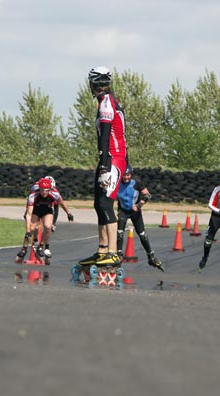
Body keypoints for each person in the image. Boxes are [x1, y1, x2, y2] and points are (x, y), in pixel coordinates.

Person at [77, 66, 128, 267]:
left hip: (112, 159)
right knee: (98, 203)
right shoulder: (111, 101)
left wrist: (105, 166)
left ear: (93, 84)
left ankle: (113, 252)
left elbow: (105, 137)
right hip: (112, 158)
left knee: (106, 203)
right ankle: (102, 250)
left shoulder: (106, 103)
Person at [116, 165, 164, 272]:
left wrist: (139, 205)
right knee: (119, 233)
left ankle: (151, 256)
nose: (126, 177)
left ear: (131, 175)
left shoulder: (136, 182)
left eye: (128, 175)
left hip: (135, 212)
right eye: (124, 175)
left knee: (142, 235)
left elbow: (148, 195)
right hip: (123, 211)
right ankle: (119, 255)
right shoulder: (117, 183)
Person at [17, 178, 73, 262]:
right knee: (32, 228)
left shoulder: (55, 193)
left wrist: (68, 213)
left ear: (50, 189)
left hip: (47, 209)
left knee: (48, 226)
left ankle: (41, 245)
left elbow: (62, 203)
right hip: (36, 209)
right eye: (42, 190)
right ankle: (25, 247)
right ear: (39, 189)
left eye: (47, 191)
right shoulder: (33, 194)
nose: (44, 193)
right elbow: (29, 213)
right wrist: (28, 231)